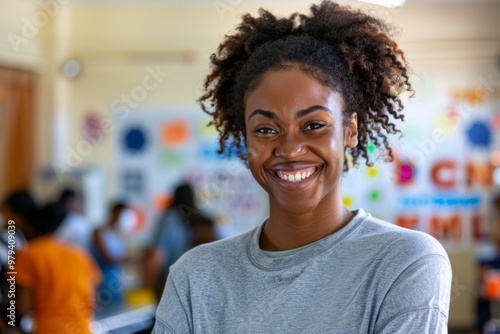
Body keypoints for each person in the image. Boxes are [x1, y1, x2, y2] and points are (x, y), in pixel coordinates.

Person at [153, 1, 452, 333]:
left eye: (313, 125)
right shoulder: (194, 276)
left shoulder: (405, 261)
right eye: (266, 130)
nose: (290, 150)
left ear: (350, 131)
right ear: (246, 140)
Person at [15, 201, 102, 334]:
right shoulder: (79, 254)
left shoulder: (27, 255)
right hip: (82, 328)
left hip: (47, 329)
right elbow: (93, 300)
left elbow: (23, 308)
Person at [144, 183, 217, 301]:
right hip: (197, 279)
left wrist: (149, 282)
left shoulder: (170, 218)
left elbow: (159, 254)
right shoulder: (200, 219)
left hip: (171, 278)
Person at [90, 202, 133, 306]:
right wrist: (135, 259)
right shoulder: (99, 232)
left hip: (117, 280)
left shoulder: (120, 234)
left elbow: (124, 255)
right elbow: (108, 258)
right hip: (103, 279)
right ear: (115, 213)